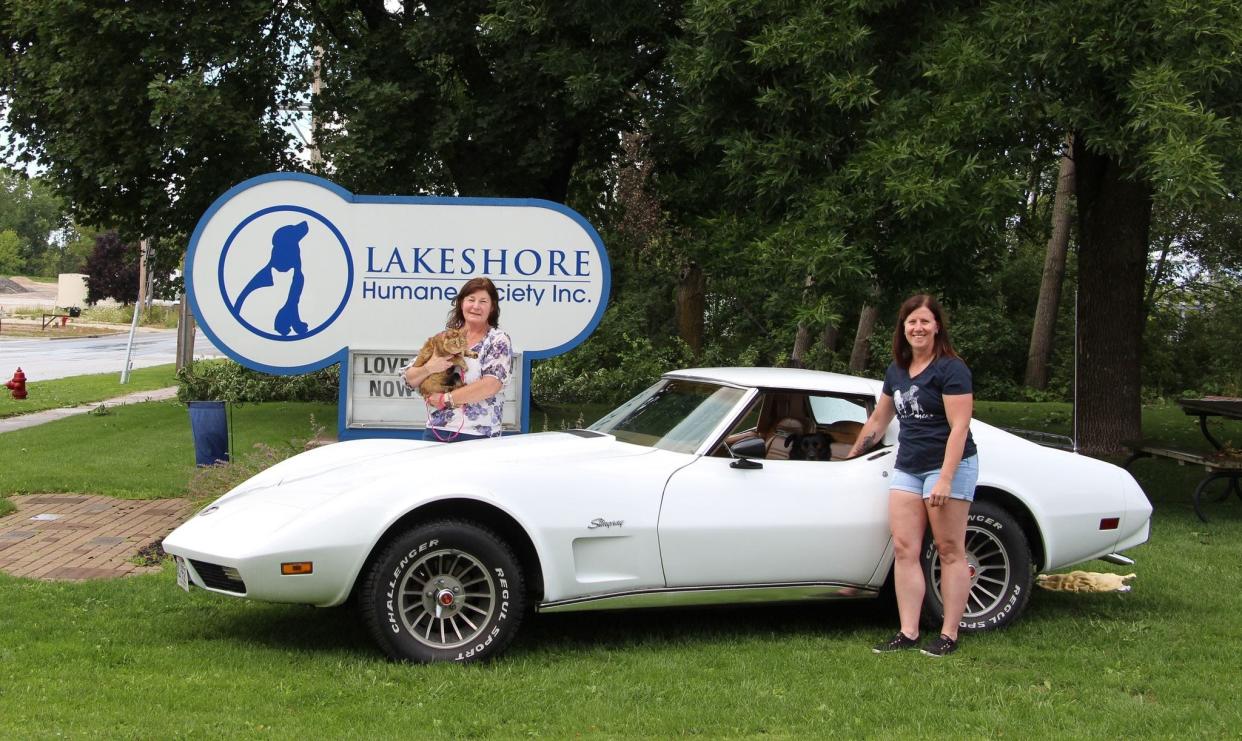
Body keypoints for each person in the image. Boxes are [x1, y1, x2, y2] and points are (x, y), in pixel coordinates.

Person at [848, 293, 978, 657]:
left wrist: (946, 479)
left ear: (937, 326)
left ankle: (949, 634)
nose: (918, 328)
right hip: (909, 465)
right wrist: (850, 456)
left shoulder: (952, 369)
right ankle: (908, 632)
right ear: (903, 328)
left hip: (949, 465)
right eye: (911, 322)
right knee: (906, 549)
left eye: (924, 321)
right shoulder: (897, 370)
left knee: (950, 550)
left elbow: (960, 427)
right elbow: (879, 421)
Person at [401, 277, 513, 441]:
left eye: (483, 301)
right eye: (471, 299)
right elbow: (408, 379)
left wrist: (445, 399)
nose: (476, 306)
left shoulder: (497, 340)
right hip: (436, 431)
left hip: (479, 435)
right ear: (461, 303)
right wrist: (429, 368)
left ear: (492, 307)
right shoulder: (444, 337)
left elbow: (491, 385)